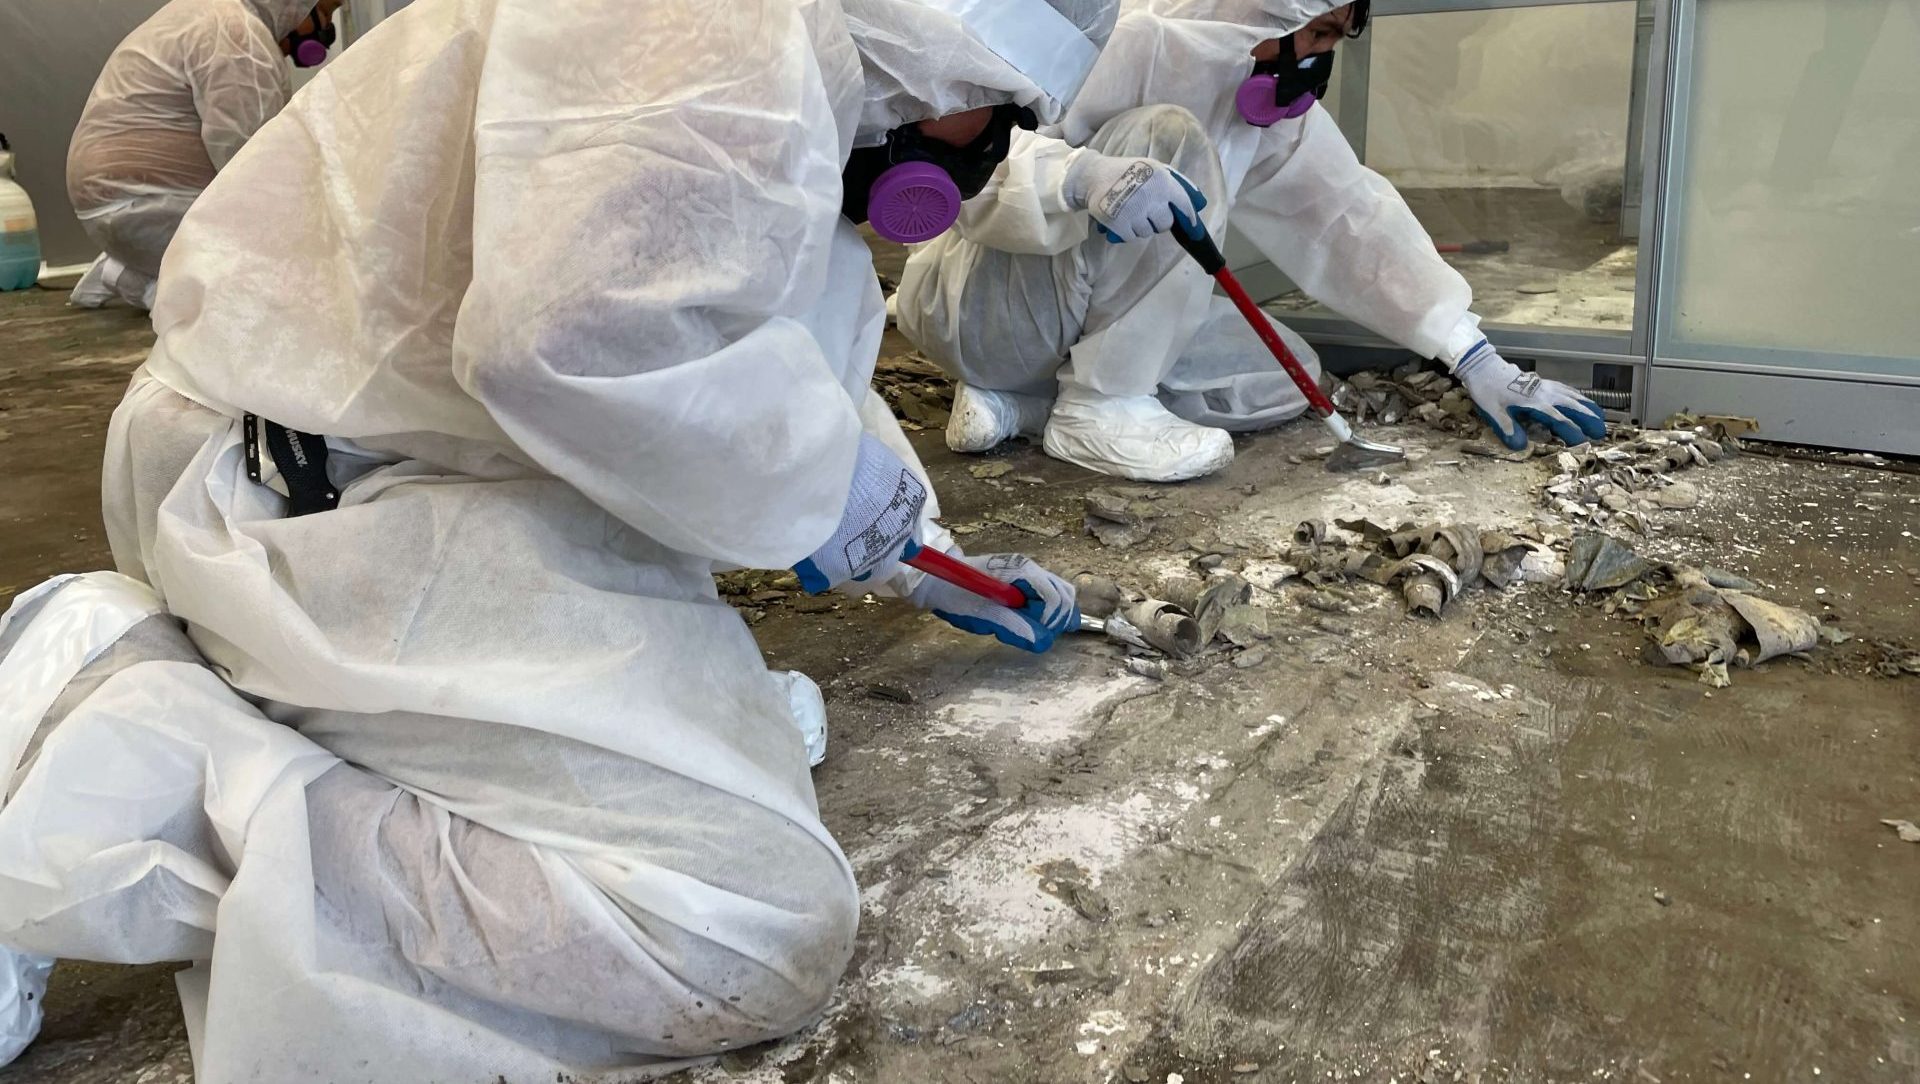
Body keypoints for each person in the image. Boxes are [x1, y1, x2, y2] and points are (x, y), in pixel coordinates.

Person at [0, 0, 1137, 1078]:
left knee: (744, 744)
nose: (992, 147)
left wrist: (924, 556)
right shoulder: (728, 37)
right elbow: (581, 345)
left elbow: (755, 354)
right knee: (740, 926)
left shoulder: (792, 71)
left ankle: (266, 720)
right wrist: (828, 496)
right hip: (317, 494)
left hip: (395, 458)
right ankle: (135, 753)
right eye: (1000, 105)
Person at [896, 0, 1609, 483]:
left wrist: (1470, 352)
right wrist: (1083, 178)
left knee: (1281, 375)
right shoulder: (1125, 46)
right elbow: (964, 172)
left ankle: (1022, 406)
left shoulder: (1255, 97)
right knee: (1168, 137)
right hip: (986, 306)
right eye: (1321, 33)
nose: (1322, 57)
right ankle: (1099, 408)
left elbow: (1342, 216)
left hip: (1063, 320)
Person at [65, 0, 344, 311]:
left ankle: (137, 264)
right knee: (265, 301)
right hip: (155, 205)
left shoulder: (204, 11)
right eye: (325, 12)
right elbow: (254, 162)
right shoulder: (239, 37)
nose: (325, 31)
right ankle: (151, 285)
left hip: (117, 206)